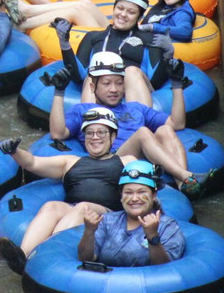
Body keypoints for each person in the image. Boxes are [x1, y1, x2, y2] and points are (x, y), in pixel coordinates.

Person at [49, 52, 213, 197]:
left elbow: (177, 123)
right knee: (143, 133)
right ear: (93, 86)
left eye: (119, 83)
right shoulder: (83, 110)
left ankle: (183, 186)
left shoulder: (135, 108)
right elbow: (58, 133)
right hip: (110, 161)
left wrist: (176, 84)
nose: (114, 89)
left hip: (140, 158)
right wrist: (59, 92)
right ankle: (187, 176)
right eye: (106, 84)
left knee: (165, 129)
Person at [0, 107, 133, 273]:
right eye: (90, 133)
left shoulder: (126, 161)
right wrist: (14, 151)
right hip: (72, 209)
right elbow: (32, 163)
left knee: (83, 207)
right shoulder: (70, 161)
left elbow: (142, 188)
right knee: (51, 206)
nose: (95, 137)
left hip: (107, 214)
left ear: (113, 136)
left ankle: (46, 253)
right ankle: (22, 258)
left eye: (101, 133)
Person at [47, 0, 181, 103]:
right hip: (100, 91)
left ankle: (136, 123)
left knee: (131, 71)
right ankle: (92, 123)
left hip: (135, 89)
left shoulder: (150, 40)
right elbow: (78, 76)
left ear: (139, 17)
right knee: (91, 77)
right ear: (114, 8)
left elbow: (155, 83)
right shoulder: (93, 37)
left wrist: (168, 53)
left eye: (131, 12)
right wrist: (64, 41)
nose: (123, 14)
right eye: (120, 8)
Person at [78, 159, 185, 267]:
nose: (134, 198)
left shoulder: (167, 226)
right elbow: (86, 259)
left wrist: (152, 236)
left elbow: (166, 269)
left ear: (153, 195)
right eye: (128, 193)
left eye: (141, 192)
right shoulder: (106, 221)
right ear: (121, 196)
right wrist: (89, 231)